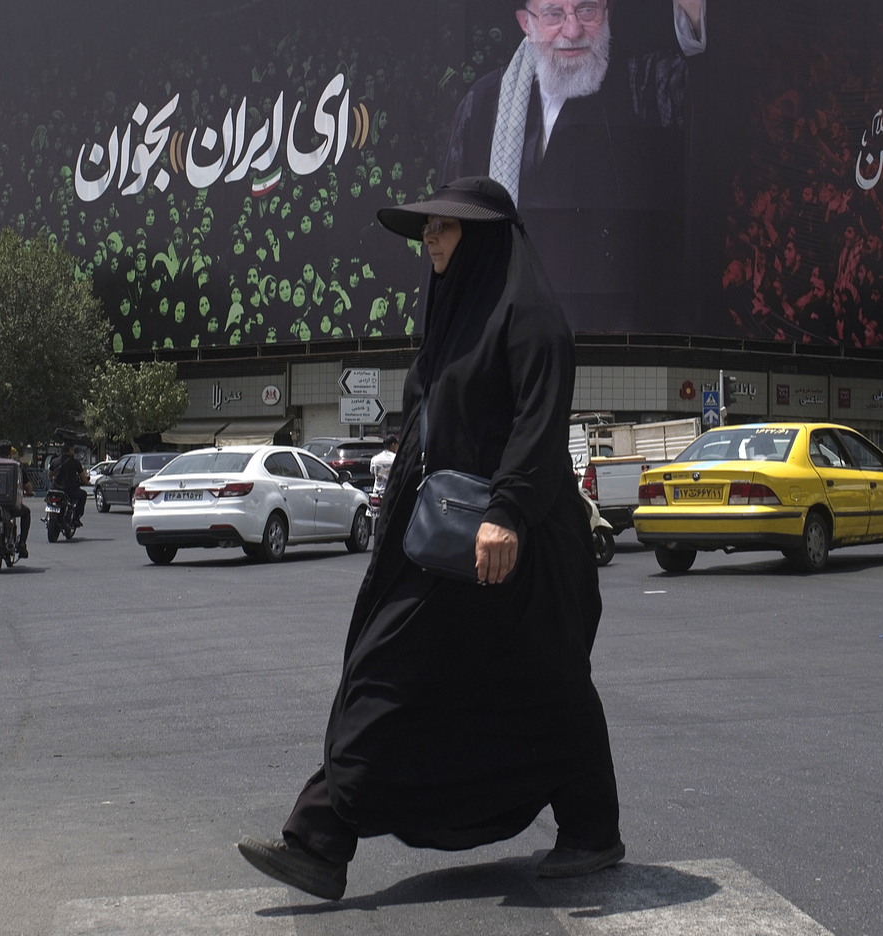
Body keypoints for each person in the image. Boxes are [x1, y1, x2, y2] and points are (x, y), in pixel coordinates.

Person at [238, 176, 621, 901]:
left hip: (515, 544)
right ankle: (322, 839)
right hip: (444, 540)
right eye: (428, 231)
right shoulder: (454, 316)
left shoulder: (529, 316)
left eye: (442, 230)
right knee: (491, 683)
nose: (430, 242)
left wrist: (505, 513)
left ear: (478, 237)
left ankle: (324, 837)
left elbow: (539, 426)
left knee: (489, 678)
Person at [441, 0, 706, 329]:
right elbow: (449, 228)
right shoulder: (483, 105)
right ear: (526, 23)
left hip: (623, 336)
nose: (572, 30)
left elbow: (708, 108)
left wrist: (690, 3)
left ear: (609, 12)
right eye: (553, 14)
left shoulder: (645, 82)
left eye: (587, 10)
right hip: (508, 332)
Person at [52, 445, 88, 527]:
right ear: (70, 451)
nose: (74, 452)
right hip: (69, 490)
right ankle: (76, 518)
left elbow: (50, 475)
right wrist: (88, 483)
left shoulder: (55, 461)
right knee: (83, 495)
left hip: (54, 489)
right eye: (73, 450)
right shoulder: (75, 463)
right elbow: (83, 478)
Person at [368, 434, 398, 500]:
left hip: (377, 493)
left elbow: (372, 474)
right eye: (396, 445)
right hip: (392, 493)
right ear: (393, 445)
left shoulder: (375, 459)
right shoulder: (396, 458)